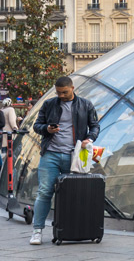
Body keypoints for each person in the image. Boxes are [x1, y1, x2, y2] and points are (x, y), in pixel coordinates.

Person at [29, 77, 101, 245]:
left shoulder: (85, 105)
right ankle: (37, 231)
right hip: (51, 154)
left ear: (72, 88)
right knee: (44, 192)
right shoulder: (49, 104)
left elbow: (95, 126)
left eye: (65, 92)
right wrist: (47, 129)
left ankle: (71, 229)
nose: (61, 95)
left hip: (74, 156)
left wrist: (90, 139)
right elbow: (37, 125)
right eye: (58, 92)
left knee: (73, 194)